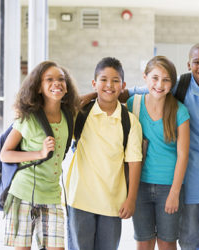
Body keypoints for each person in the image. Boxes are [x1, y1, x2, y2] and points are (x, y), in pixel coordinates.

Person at [127, 42, 199, 250]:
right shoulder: (177, 86)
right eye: (197, 62)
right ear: (188, 65)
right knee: (188, 237)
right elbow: (136, 90)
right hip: (186, 175)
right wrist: (92, 95)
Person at [0, 61, 79, 250]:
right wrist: (40, 153)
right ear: (39, 88)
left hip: (52, 196)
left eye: (61, 79)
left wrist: (99, 92)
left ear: (67, 87)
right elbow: (5, 154)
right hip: (23, 194)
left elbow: (82, 101)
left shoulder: (69, 115)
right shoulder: (28, 118)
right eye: (49, 79)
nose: (57, 83)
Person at [66, 57, 143, 250]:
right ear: (94, 83)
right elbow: (57, 109)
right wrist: (87, 97)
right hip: (80, 200)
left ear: (123, 85)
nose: (109, 85)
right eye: (103, 80)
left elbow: (134, 162)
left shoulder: (130, 121)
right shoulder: (81, 113)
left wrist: (131, 199)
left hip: (112, 203)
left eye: (115, 81)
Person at [127, 56, 190, 250]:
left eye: (166, 80)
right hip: (140, 185)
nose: (159, 85)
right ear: (145, 77)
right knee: (143, 242)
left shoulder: (180, 111)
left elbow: (183, 155)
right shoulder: (133, 105)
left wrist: (174, 192)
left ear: (172, 83)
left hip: (169, 187)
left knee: (167, 242)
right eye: (155, 78)